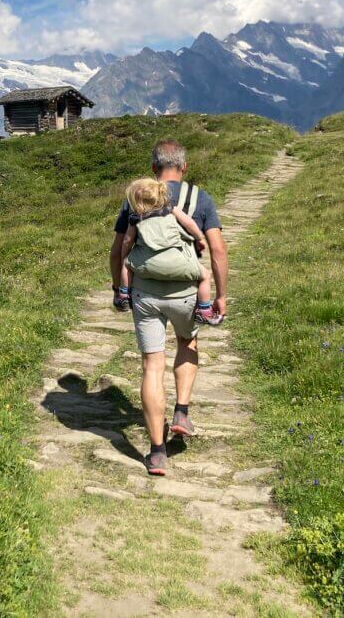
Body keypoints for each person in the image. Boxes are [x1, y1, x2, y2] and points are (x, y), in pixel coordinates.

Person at [109, 140, 227, 477]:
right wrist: (220, 294)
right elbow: (217, 249)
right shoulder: (199, 199)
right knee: (187, 343)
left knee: (151, 365)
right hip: (187, 291)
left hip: (145, 294)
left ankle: (157, 452)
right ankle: (182, 412)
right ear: (184, 167)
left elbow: (119, 249)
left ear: (153, 168)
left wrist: (120, 288)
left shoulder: (137, 199)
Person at [118, 177, 223, 325]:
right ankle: (204, 309)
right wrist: (200, 238)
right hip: (178, 262)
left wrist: (125, 256)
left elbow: (127, 241)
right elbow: (189, 223)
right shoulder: (170, 209)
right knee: (205, 275)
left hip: (147, 264)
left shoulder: (135, 218)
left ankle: (123, 294)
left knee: (126, 265)